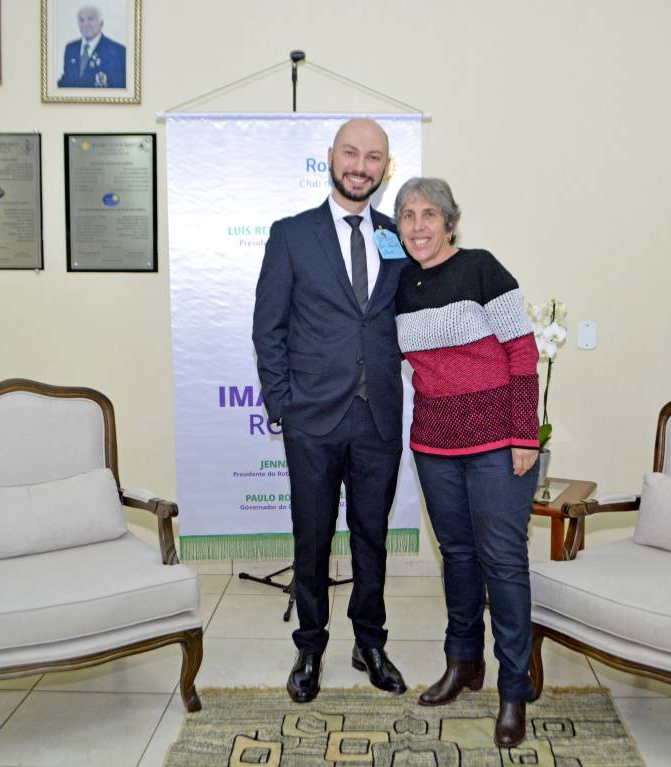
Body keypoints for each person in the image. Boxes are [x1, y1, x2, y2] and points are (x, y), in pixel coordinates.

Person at [252, 118, 409, 704]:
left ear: (385, 168)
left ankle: (370, 642)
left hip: (378, 418)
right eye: (351, 153)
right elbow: (268, 327)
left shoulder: (397, 237)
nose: (360, 166)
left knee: (372, 538)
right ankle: (311, 645)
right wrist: (282, 404)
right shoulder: (291, 235)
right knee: (313, 539)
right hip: (313, 419)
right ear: (330, 157)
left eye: (373, 157)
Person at [393, 177, 540, 747]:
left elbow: (522, 351)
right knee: (456, 557)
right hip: (433, 444)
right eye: (408, 215)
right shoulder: (401, 284)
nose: (418, 225)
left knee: (502, 561)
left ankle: (513, 688)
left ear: (450, 222)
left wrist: (524, 433)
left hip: (498, 444)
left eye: (429, 214)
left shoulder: (482, 268)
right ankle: (463, 663)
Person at [57, 5, 126, 88]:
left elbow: (119, 87)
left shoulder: (117, 51)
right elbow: (67, 81)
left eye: (90, 19)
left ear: (101, 23)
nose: (85, 24)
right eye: (81, 20)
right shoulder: (71, 48)